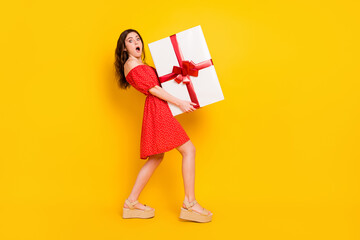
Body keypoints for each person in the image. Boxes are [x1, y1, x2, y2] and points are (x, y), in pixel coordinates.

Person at [114, 29, 213, 223]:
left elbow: (162, 83)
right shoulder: (132, 64)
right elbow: (153, 89)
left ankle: (131, 202)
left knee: (157, 156)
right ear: (124, 48)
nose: (136, 41)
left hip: (156, 109)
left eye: (137, 38)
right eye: (130, 40)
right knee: (189, 150)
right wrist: (180, 102)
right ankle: (190, 204)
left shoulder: (139, 64)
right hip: (158, 109)